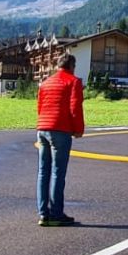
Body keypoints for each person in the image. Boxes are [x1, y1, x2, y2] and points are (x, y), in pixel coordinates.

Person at [36, 51, 85, 226]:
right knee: (58, 172)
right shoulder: (74, 82)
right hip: (60, 130)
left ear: (58, 66)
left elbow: (40, 106)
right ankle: (56, 213)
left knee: (43, 172)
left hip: (42, 128)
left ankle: (43, 213)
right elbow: (75, 108)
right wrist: (78, 129)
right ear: (71, 66)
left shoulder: (45, 83)